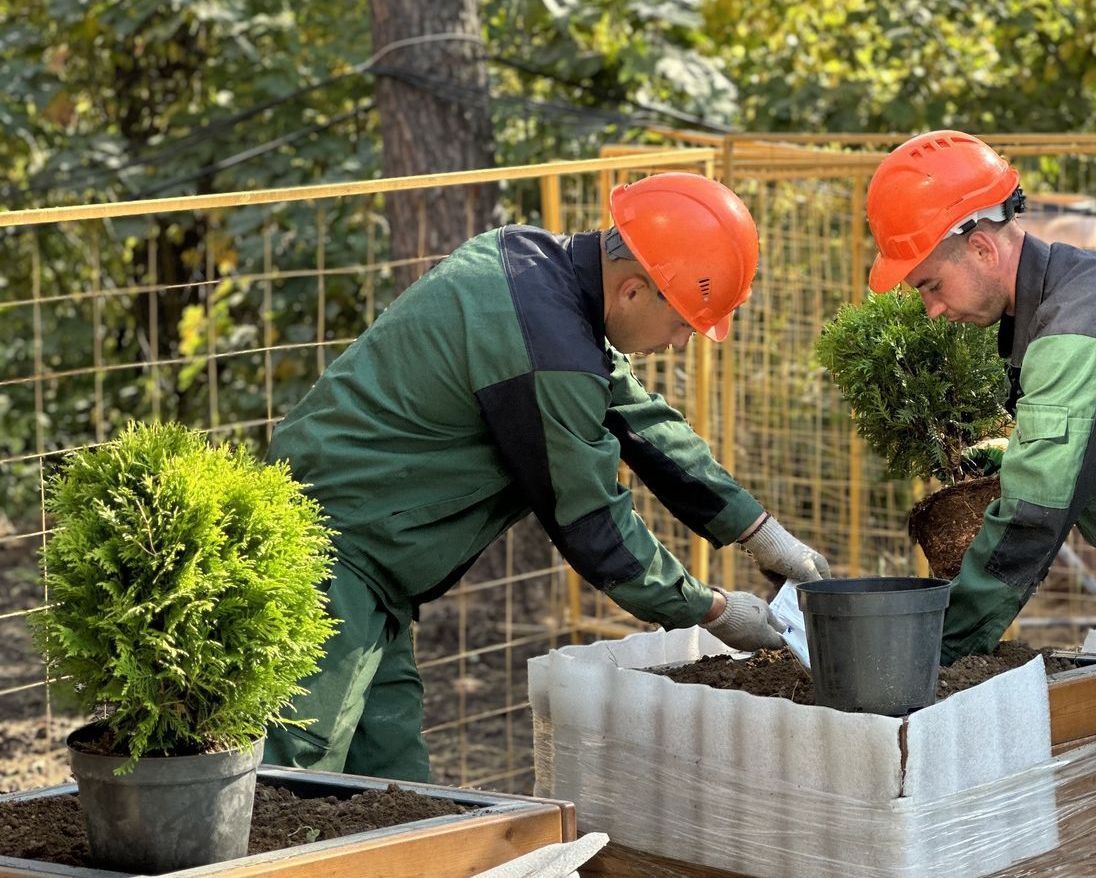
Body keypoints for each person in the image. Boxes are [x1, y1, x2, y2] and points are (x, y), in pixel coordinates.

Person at [264, 172, 830, 782]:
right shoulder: (551, 350)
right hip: (329, 556)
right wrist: (710, 610)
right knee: (295, 781)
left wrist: (758, 530)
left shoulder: (533, 272)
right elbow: (590, 520)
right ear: (635, 289)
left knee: (391, 779)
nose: (679, 345)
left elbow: (641, 422)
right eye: (684, 325)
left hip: (370, 564)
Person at [865, 129, 1096, 874]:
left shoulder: (1077, 325)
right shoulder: (1075, 296)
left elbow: (1030, 523)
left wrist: (939, 653)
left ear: (982, 248)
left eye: (928, 285)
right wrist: (1010, 455)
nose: (929, 310)